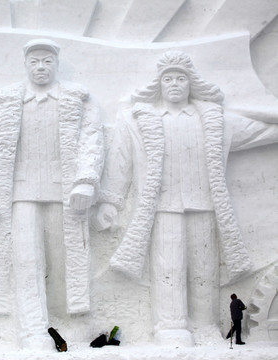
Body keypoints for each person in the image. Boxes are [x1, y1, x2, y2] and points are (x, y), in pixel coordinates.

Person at [95, 50, 278, 346]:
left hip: (204, 204)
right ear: (159, 84)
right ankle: (170, 325)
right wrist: (110, 203)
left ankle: (205, 325)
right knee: (169, 265)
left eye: (181, 78)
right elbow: (120, 163)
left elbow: (258, 130)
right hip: (163, 206)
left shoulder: (214, 120)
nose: (175, 84)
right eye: (168, 79)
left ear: (192, 83)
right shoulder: (139, 120)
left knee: (203, 266)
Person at [0, 39, 103, 349]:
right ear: (25, 65)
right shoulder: (4, 103)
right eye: (34, 61)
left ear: (56, 64)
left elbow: (92, 141)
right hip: (20, 194)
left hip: (66, 194)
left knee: (66, 262)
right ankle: (33, 329)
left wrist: (86, 181)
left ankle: (69, 323)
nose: (41, 67)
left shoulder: (78, 99)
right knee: (26, 260)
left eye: (47, 61)